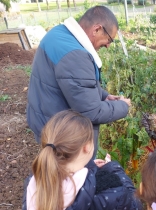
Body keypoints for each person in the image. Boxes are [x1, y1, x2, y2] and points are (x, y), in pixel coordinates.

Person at [26, 5, 131, 158]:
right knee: (71, 179)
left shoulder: (58, 34)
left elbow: (71, 83)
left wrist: (104, 96)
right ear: (96, 29)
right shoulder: (76, 56)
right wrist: (123, 106)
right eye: (109, 39)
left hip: (47, 121)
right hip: (63, 139)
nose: (108, 45)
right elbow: (91, 112)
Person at [22, 110, 142, 210]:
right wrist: (114, 169)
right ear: (87, 147)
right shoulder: (109, 188)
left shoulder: (35, 181)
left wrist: (91, 170)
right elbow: (135, 203)